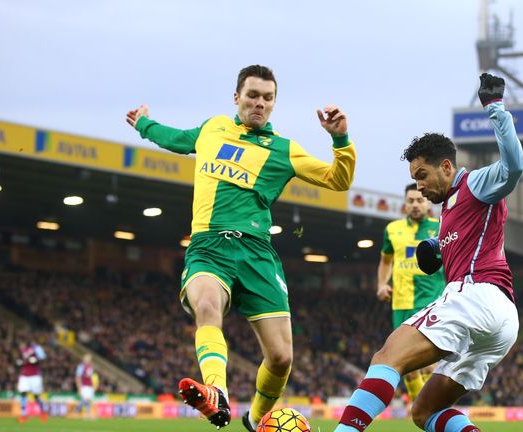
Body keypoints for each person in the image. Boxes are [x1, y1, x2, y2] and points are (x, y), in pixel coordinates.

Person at [125, 64, 356, 430]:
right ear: (237, 98)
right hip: (209, 244)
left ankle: (255, 420)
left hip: (257, 254)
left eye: (267, 98)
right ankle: (216, 391)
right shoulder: (212, 128)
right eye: (252, 95)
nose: (259, 103)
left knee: (281, 358)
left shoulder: (284, 151)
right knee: (206, 303)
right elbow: (176, 138)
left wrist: (340, 140)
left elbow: (338, 180)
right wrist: (143, 124)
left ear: (274, 103)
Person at [334, 73, 523, 432]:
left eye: (422, 174)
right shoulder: (450, 210)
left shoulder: (473, 184)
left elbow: (514, 168)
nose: (418, 186)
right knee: (423, 413)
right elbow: (467, 239)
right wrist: (437, 247)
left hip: (474, 296)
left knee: (387, 358)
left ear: (447, 167)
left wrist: (496, 109)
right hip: (502, 320)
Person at [377, 183, 445, 401]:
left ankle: (434, 406)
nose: (415, 205)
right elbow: (386, 260)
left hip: (431, 301)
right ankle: (421, 409)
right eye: (411, 201)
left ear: (427, 203)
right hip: (401, 303)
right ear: (404, 204)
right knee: (405, 363)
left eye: (419, 200)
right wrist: (381, 284)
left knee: (427, 361)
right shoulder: (392, 229)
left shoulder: (441, 227)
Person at [16, 341, 48, 423]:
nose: (21, 346)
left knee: (36, 396)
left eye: (22, 344)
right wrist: (20, 362)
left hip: (35, 375)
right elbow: (20, 361)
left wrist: (34, 360)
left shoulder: (34, 348)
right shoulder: (22, 351)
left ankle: (43, 412)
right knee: (23, 394)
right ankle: (23, 415)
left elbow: (42, 358)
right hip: (24, 375)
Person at [75, 354, 98, 419]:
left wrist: (94, 386)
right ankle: (77, 411)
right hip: (84, 386)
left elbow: (92, 377)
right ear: (84, 359)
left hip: (90, 386)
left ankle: (86, 414)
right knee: (86, 400)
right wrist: (79, 387)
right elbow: (78, 377)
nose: (88, 360)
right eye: (87, 359)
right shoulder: (81, 367)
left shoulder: (91, 367)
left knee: (88, 400)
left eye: (89, 359)